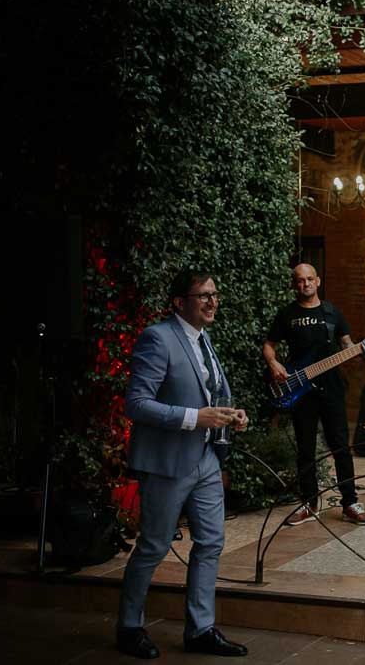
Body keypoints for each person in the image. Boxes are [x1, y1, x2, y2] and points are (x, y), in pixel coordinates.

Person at [117, 269, 249, 659]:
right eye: (202, 295)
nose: (212, 302)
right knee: (154, 546)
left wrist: (231, 415)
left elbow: (210, 396)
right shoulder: (158, 338)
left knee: (211, 543)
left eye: (214, 294)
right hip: (167, 463)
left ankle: (200, 630)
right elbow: (137, 404)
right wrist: (195, 418)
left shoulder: (204, 339)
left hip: (206, 459)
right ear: (179, 302)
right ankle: (128, 627)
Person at [263, 263, 365, 527]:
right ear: (295, 284)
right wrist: (274, 363)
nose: (305, 284)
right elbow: (269, 345)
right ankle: (309, 503)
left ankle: (350, 502)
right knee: (305, 449)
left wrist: (363, 350)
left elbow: (346, 345)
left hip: (332, 388)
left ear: (318, 281)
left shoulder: (332, 313)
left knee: (341, 446)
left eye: (309, 279)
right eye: (300, 281)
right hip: (301, 390)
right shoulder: (287, 314)